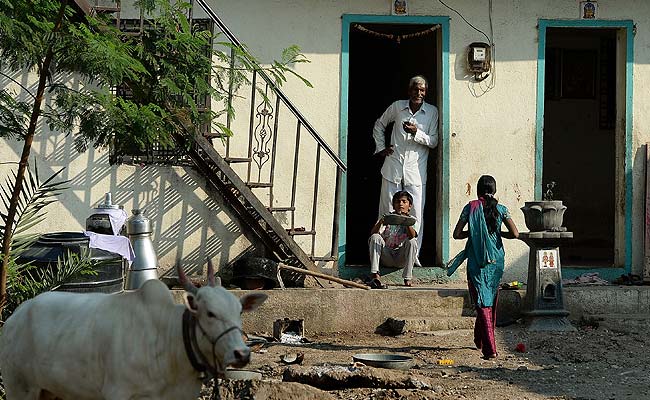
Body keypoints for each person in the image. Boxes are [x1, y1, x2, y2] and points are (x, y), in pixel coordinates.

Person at [448, 175, 519, 359]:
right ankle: (479, 341)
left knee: (481, 302)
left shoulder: (470, 208)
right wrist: (496, 233)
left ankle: (490, 349)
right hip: (496, 260)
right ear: (494, 190)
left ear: (478, 190)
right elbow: (515, 233)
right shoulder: (501, 209)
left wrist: (474, 233)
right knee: (489, 300)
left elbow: (456, 234)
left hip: (476, 259)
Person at [373, 75, 439, 255]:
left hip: (416, 171)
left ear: (426, 93)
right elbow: (379, 125)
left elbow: (433, 141)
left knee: (416, 214)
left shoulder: (432, 112)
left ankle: (413, 254)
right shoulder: (397, 107)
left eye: (422, 90)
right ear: (409, 91)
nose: (419, 93)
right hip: (393, 166)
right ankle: (383, 253)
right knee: (387, 210)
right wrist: (381, 148)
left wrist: (417, 132)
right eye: (416, 89)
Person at [368, 190, 418, 287]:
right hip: (387, 256)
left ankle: (407, 277)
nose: (400, 204)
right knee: (375, 237)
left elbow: (412, 236)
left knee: (412, 242)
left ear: (410, 205)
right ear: (393, 204)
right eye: (398, 201)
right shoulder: (387, 217)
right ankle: (375, 274)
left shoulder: (412, 220)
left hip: (400, 258)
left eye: (404, 202)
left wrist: (405, 221)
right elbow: (373, 233)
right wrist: (382, 221)